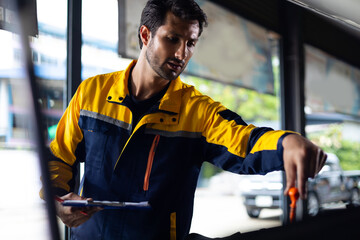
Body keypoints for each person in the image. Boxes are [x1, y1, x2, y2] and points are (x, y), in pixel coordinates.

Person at [40, 0, 327, 239]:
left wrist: (286, 143)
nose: (182, 53)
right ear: (145, 35)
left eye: (190, 43)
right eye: (172, 39)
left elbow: (244, 141)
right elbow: (59, 158)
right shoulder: (92, 93)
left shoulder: (196, 112)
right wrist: (58, 202)